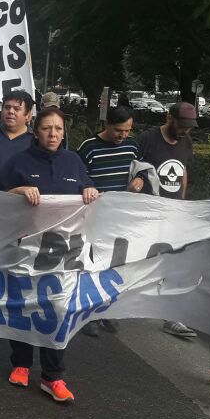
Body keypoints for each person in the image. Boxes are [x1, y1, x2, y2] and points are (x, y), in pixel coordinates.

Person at [0, 107, 99, 402]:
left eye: (58, 129)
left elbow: (87, 191)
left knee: (59, 310)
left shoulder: (73, 162)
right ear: (35, 131)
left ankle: (53, 376)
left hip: (62, 255)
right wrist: (18, 191)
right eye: (46, 129)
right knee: (24, 306)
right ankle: (21, 364)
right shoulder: (19, 162)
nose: (53, 134)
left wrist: (90, 190)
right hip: (25, 250)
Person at [75, 104, 142, 335]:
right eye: (118, 131)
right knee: (91, 264)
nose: (123, 136)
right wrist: (88, 187)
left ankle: (108, 311)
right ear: (107, 125)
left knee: (114, 265)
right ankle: (89, 315)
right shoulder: (88, 147)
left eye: (127, 131)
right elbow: (77, 174)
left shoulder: (132, 145)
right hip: (94, 216)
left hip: (120, 217)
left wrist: (141, 178)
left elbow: (140, 167)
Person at [138, 101, 198, 339]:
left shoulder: (186, 142)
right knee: (136, 260)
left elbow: (182, 172)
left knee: (175, 262)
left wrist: (181, 205)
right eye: (182, 124)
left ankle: (171, 317)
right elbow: (134, 169)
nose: (185, 130)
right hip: (146, 213)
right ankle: (112, 308)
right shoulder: (148, 139)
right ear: (169, 117)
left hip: (172, 213)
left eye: (189, 126)